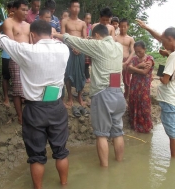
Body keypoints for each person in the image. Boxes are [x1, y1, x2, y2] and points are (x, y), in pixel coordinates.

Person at [0, 20, 70, 189]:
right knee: (61, 152)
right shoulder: (63, 49)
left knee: (37, 156)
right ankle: (64, 184)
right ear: (50, 33)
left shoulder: (27, 51)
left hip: (35, 109)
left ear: (32, 35)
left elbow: (4, 40)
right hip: (56, 107)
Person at [54, 24, 126, 167]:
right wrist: (91, 39)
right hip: (118, 92)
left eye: (94, 37)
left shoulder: (98, 46)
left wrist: (56, 34)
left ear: (97, 36)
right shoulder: (118, 46)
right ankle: (119, 164)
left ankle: (104, 170)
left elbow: (74, 41)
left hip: (103, 94)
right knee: (118, 132)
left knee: (101, 134)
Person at [136, 19, 175, 158]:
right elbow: (172, 75)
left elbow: (165, 79)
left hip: (170, 98)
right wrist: (147, 27)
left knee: (172, 133)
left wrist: (156, 77)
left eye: (164, 41)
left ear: (170, 39)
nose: (162, 44)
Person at [2, 0, 30, 124]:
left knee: (29, 86)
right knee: (17, 88)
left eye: (26, 10)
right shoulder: (8, 22)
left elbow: (32, 43)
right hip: (16, 58)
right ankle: (20, 116)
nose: (25, 12)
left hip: (29, 59)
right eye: (23, 9)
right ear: (15, 9)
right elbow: (11, 43)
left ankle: (30, 113)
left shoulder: (28, 25)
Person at [61, 0, 87, 107]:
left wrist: (79, 48)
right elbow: (63, 37)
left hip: (80, 51)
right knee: (68, 73)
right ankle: (70, 97)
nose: (76, 9)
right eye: (74, 7)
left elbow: (85, 38)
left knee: (81, 74)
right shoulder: (65, 21)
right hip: (69, 51)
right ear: (70, 8)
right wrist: (72, 47)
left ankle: (79, 96)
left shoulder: (83, 23)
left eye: (78, 7)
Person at [127, 41, 154, 133]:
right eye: (136, 52)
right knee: (133, 104)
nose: (138, 54)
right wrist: (139, 66)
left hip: (144, 88)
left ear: (144, 49)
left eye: (140, 51)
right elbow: (128, 70)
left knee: (144, 106)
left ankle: (145, 128)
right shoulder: (134, 59)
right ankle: (134, 126)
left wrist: (134, 68)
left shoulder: (149, 59)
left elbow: (144, 72)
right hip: (134, 86)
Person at [115, 18, 135, 103]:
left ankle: (125, 98)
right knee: (115, 80)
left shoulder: (130, 39)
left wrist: (127, 62)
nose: (123, 28)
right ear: (119, 27)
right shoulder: (115, 38)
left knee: (126, 81)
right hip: (117, 60)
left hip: (127, 60)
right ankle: (115, 97)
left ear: (128, 27)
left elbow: (133, 51)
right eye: (121, 26)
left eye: (125, 26)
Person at [1, 1, 15, 107]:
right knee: (6, 76)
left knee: (17, 77)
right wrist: (7, 20)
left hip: (17, 54)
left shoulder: (20, 22)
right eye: (11, 10)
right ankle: (6, 97)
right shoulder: (3, 20)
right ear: (8, 9)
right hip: (6, 54)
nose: (13, 13)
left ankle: (17, 96)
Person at [84, 13, 92, 83]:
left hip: (89, 47)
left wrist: (90, 37)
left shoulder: (91, 27)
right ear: (84, 19)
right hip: (83, 46)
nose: (88, 20)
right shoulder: (82, 25)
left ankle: (87, 77)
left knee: (87, 64)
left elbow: (94, 36)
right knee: (83, 63)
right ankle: (86, 76)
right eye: (87, 18)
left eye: (89, 18)